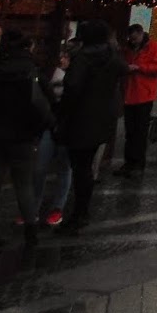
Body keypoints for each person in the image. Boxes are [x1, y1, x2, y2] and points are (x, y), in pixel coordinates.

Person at [0, 31, 52, 247]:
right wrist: (45, 125)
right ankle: (31, 231)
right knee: (24, 184)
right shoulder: (32, 71)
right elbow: (42, 103)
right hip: (22, 134)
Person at [57, 19, 126, 232]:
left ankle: (78, 213)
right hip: (101, 119)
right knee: (85, 168)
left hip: (80, 118)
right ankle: (81, 211)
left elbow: (72, 87)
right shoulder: (112, 57)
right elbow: (123, 70)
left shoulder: (83, 57)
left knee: (79, 167)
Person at [119, 23, 157, 176]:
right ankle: (128, 162)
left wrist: (139, 67)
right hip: (129, 94)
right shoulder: (128, 48)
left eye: (135, 38)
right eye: (131, 39)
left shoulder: (154, 47)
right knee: (130, 131)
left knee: (140, 132)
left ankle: (138, 164)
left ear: (141, 34)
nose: (133, 41)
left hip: (144, 94)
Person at [32, 46, 71, 228]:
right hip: (50, 125)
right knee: (40, 167)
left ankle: (58, 207)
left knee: (64, 168)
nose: (62, 60)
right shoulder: (47, 75)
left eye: (65, 57)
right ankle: (32, 207)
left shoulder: (73, 77)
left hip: (65, 127)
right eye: (60, 57)